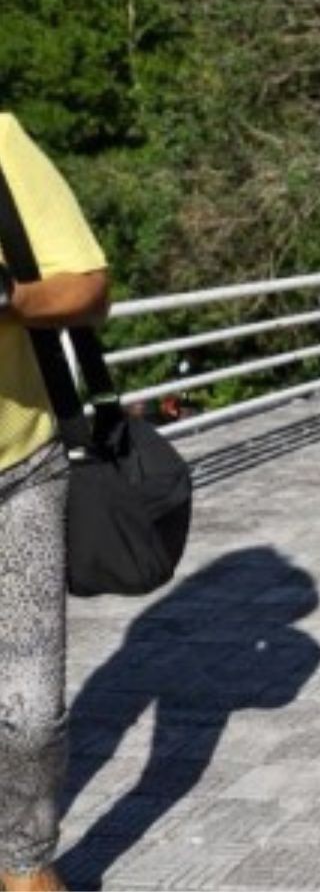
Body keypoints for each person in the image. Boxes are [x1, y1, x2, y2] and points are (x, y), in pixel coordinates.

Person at [0, 113, 111, 892]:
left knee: (31, 713)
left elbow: (88, 289)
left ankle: (24, 860)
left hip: (18, 472)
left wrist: (6, 296)